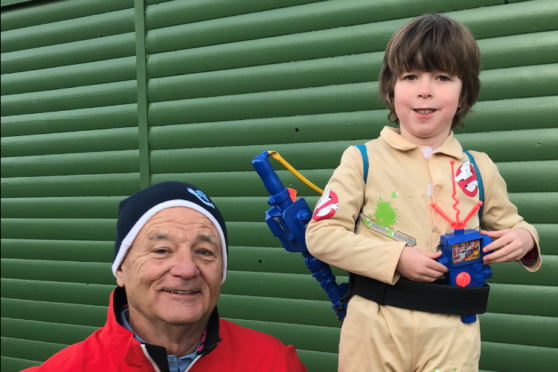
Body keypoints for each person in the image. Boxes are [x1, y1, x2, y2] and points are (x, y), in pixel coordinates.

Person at [306, 14, 541, 372]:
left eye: (443, 77)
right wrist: (395, 258)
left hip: (454, 334)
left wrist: (525, 239)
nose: (424, 90)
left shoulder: (480, 168)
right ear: (390, 89)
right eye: (410, 76)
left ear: (465, 92)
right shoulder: (362, 160)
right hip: (375, 327)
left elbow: (514, 224)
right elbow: (320, 236)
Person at [25, 182, 308, 372]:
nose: (186, 269)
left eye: (205, 251)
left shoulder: (274, 362)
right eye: (161, 250)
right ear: (120, 269)